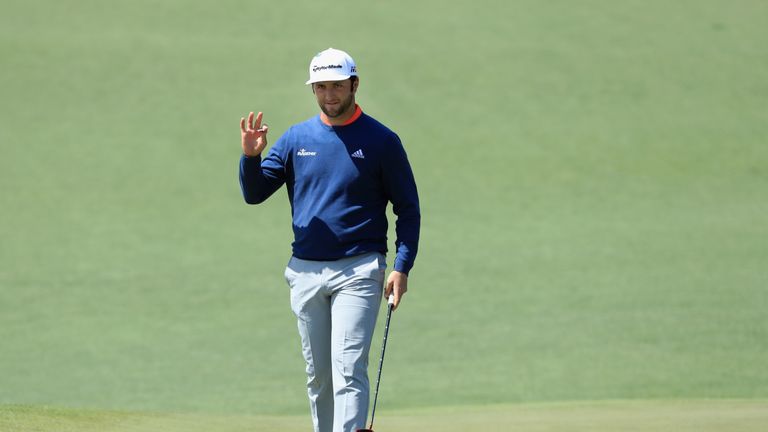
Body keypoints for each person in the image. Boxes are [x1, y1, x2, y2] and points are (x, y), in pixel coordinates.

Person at [238, 47, 420, 432]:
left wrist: (402, 266)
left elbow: (408, 209)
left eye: (337, 86)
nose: (329, 95)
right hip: (304, 273)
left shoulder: (382, 141)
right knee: (319, 376)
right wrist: (251, 158)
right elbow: (254, 194)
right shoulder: (295, 139)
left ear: (354, 84)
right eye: (321, 87)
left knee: (349, 366)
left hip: (360, 269)